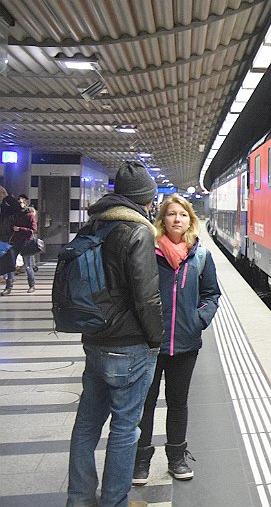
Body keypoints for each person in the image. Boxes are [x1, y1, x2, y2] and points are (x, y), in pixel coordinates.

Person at [66, 162, 163, 507]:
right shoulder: (137, 232)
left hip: (95, 340)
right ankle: (114, 501)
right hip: (129, 346)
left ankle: (78, 499)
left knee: (87, 425)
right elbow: (147, 296)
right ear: (144, 200)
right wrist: (157, 339)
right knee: (125, 428)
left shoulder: (94, 225)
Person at [134, 194, 220, 484]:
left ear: (190, 220)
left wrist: (199, 320)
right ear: (162, 219)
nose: (177, 219)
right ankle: (140, 461)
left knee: (178, 403)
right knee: (145, 403)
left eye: (182, 215)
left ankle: (176, 458)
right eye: (171, 214)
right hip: (150, 343)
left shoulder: (202, 256)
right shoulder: (148, 252)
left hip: (185, 343)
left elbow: (211, 294)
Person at [3, 194, 37, 294]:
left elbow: (33, 229)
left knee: (27, 265)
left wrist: (20, 229)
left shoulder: (29, 215)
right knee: (10, 264)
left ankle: (32, 285)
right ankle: (8, 287)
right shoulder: (15, 215)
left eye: (21, 202)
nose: (19, 204)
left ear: (25, 203)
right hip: (15, 242)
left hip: (26, 242)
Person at [0, 186, 18, 285]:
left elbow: (16, 207)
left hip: (4, 238)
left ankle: (9, 284)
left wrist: (7, 196)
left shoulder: (4, 208)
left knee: (7, 261)